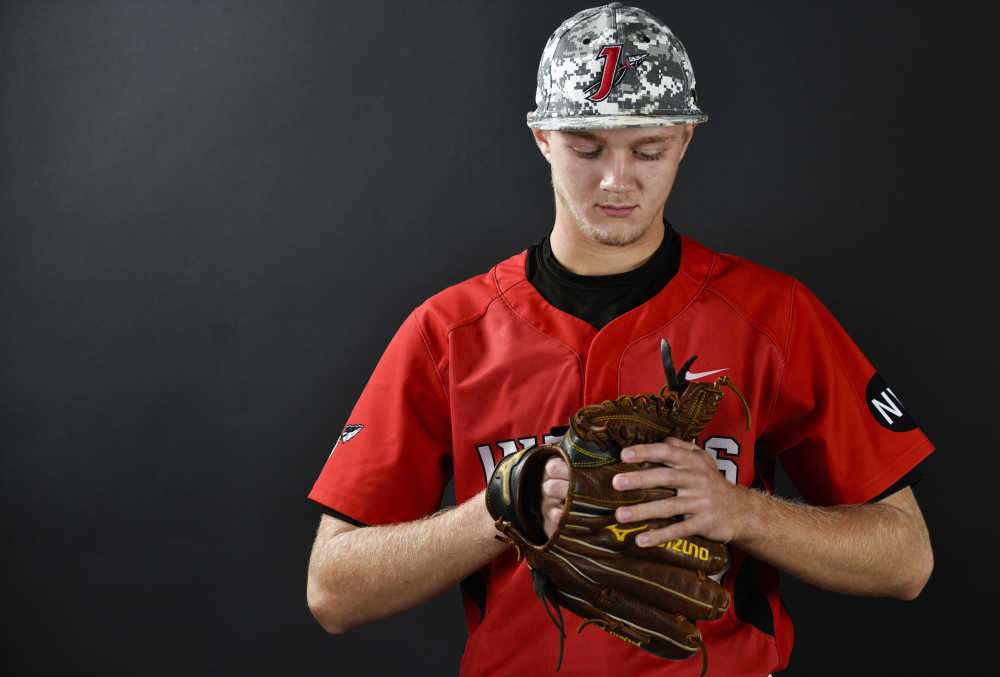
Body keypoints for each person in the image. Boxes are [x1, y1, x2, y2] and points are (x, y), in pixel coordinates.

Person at [305, 3, 933, 675]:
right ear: (542, 137)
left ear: (686, 138)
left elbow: (906, 558)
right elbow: (333, 589)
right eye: (586, 147)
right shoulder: (449, 333)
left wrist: (742, 511)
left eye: (648, 149)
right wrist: (497, 510)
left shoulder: (772, 316)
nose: (616, 179)